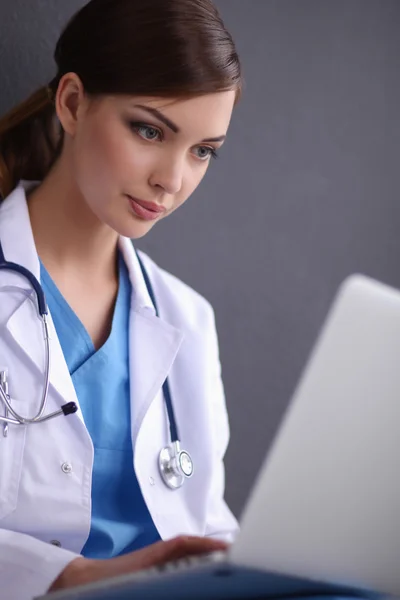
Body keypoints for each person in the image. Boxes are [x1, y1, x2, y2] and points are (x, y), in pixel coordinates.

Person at [0, 0, 242, 598]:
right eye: (150, 130)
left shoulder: (186, 317)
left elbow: (209, 524)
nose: (173, 179)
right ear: (73, 103)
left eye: (202, 150)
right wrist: (75, 578)